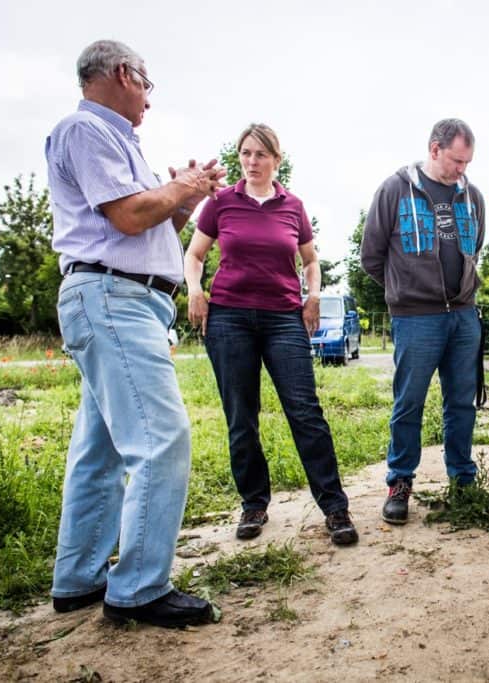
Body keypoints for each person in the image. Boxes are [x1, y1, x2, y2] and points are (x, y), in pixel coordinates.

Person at [46, 40, 226, 628]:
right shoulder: (84, 131)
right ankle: (141, 588)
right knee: (161, 438)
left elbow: (147, 227)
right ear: (124, 74)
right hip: (111, 298)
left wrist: (183, 198)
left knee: (99, 451)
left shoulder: (123, 143)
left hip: (127, 299)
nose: (149, 97)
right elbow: (125, 215)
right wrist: (182, 187)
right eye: (147, 84)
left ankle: (78, 578)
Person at [185, 123, 358, 547]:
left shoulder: (292, 206)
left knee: (305, 411)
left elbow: (311, 261)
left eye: (261, 154)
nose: (251, 161)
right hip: (228, 319)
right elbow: (194, 253)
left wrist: (313, 295)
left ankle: (335, 508)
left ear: (276, 160)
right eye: (245, 153)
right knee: (241, 416)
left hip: (284, 318)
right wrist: (195, 290)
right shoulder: (220, 203)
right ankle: (253, 504)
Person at [360, 118, 486, 525]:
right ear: (434, 150)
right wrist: (404, 289)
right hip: (416, 319)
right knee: (409, 403)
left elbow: (475, 248)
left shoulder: (473, 196)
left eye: (467, 161)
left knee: (461, 403)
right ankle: (400, 483)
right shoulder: (394, 189)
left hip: (464, 316)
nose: (461, 169)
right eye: (455, 160)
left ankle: (463, 481)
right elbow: (371, 256)